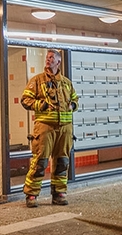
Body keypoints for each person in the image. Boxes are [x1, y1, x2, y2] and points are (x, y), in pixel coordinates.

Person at [20, 49, 79, 207]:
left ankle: (59, 193)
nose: (48, 60)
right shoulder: (37, 80)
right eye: (47, 57)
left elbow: (75, 100)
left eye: (52, 58)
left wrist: (73, 105)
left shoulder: (66, 82)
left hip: (65, 129)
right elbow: (25, 100)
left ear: (58, 62)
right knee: (40, 161)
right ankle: (31, 194)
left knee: (62, 162)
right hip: (45, 127)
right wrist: (42, 104)